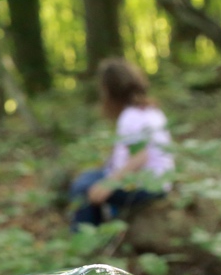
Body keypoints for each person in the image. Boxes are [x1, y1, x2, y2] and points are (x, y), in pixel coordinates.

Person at [69, 58, 173, 231]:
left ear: (109, 90)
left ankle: (87, 239)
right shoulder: (150, 110)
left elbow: (140, 156)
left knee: (82, 189)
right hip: (159, 180)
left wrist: (108, 184)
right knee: (86, 178)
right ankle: (103, 224)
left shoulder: (131, 117)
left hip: (146, 186)